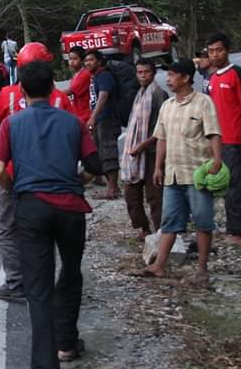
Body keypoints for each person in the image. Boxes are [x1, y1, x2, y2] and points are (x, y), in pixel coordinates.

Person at [0, 60, 103, 369]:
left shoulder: (13, 123)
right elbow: (95, 166)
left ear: (22, 91)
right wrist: (76, 182)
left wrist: (15, 189)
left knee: (38, 289)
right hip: (70, 207)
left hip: (32, 208)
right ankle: (67, 343)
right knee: (70, 273)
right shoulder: (72, 122)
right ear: (54, 87)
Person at [0, 42, 78, 302]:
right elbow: (75, 132)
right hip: (52, 177)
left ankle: (16, 282)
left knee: (8, 227)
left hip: (12, 174)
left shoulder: (8, 95)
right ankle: (46, 281)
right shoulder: (61, 99)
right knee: (47, 231)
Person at [139, 58, 223, 287]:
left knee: (203, 221)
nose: (168, 79)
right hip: (172, 174)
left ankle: (202, 269)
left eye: (172, 75)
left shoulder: (203, 103)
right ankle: (159, 265)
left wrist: (217, 160)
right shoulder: (167, 106)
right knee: (169, 222)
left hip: (197, 173)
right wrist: (158, 166)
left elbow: (214, 133)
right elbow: (162, 139)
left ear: (185, 78)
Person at [206, 32, 241, 245]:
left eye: (219, 50)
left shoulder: (237, 74)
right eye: (211, 51)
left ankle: (239, 231)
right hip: (219, 140)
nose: (215, 55)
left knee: (235, 185)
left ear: (227, 50)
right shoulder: (212, 78)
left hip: (236, 140)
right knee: (226, 185)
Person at [121, 59, 168, 239]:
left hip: (153, 151)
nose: (142, 76)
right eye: (139, 72)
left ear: (153, 73)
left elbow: (162, 128)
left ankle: (161, 231)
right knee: (131, 192)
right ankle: (142, 228)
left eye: (146, 72)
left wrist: (143, 145)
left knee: (154, 194)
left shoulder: (158, 94)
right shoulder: (139, 94)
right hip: (135, 152)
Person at [84, 49, 121, 199]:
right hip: (100, 119)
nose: (88, 63)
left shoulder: (104, 75)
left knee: (108, 152)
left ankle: (113, 188)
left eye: (91, 60)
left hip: (107, 118)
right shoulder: (95, 77)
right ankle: (111, 187)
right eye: (86, 60)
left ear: (99, 61)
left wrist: (93, 117)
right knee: (101, 153)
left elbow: (103, 96)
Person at [64, 46, 92, 125]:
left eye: (75, 59)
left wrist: (51, 93)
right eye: (70, 59)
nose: (72, 61)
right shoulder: (77, 73)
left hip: (85, 114)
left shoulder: (84, 74)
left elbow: (70, 91)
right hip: (79, 113)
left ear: (82, 60)